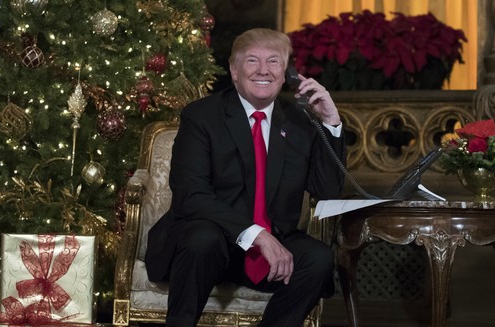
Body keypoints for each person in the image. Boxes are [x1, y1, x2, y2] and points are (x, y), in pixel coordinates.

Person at [145, 27, 345, 327]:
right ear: (234, 70)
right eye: (252, 60)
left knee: (318, 259)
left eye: (274, 61)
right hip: (210, 244)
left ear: (287, 71)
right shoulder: (201, 116)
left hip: (269, 247)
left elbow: (327, 189)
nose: (264, 70)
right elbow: (191, 195)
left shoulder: (300, 122)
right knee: (202, 239)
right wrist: (256, 234)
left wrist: (330, 122)